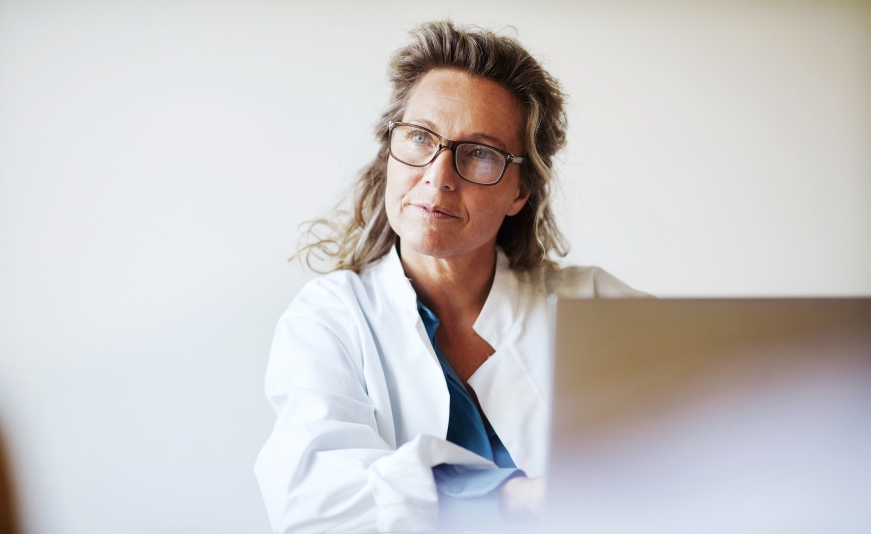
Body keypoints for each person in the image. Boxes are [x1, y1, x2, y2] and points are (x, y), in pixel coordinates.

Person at [255, 20, 648, 533]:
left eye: (479, 153)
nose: (438, 177)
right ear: (389, 155)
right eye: (420, 137)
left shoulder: (597, 307)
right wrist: (514, 497)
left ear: (519, 192)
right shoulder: (330, 316)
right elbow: (315, 503)